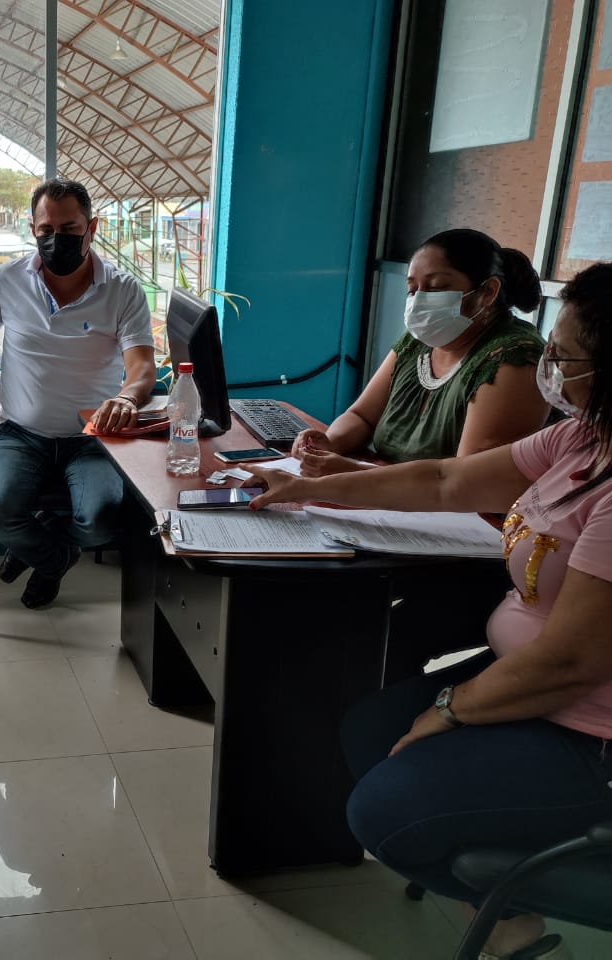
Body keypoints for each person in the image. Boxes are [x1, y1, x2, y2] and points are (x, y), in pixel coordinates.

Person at [248, 262, 612, 960]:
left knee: (381, 814)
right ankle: (497, 880)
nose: (551, 369)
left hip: (590, 733)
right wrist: (306, 487)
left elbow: (570, 662)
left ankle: (519, 900)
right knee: (367, 733)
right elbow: (447, 480)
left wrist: (450, 710)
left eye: (566, 358)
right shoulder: (581, 440)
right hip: (533, 680)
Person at [0, 177, 156, 609]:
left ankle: (44, 547)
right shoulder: (10, 279)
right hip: (19, 432)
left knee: (103, 521)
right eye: (46, 230)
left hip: (92, 437)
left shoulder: (122, 289)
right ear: (32, 229)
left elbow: (142, 366)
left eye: (69, 229)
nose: (56, 240)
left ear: (92, 227)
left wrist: (127, 397)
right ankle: (57, 559)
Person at [292, 229, 549, 477]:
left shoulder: (514, 358)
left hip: (448, 505)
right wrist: (330, 443)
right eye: (412, 289)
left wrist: (352, 473)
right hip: (383, 494)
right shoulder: (418, 341)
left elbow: (465, 482)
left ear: (488, 291)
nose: (419, 301)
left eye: (436, 287)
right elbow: (362, 416)